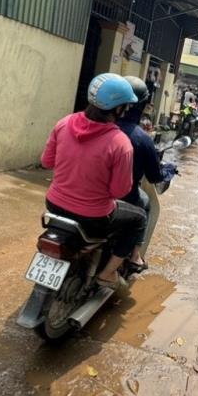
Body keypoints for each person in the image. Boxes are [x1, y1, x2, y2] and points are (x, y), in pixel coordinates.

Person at [40, 73, 147, 287]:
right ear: (118, 108)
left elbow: (46, 161)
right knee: (139, 218)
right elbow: (119, 191)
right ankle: (107, 273)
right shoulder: (120, 143)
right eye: (125, 106)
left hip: (53, 206)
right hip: (94, 217)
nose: (126, 110)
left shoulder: (63, 123)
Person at [116, 77, 173, 271]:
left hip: (69, 193)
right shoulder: (139, 138)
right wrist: (167, 172)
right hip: (113, 198)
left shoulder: (86, 125)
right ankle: (134, 256)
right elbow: (155, 177)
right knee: (144, 207)